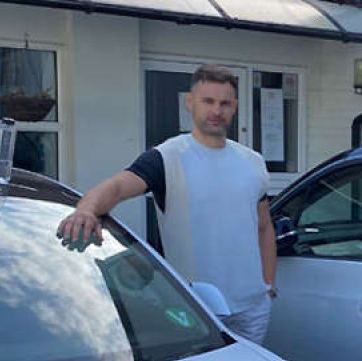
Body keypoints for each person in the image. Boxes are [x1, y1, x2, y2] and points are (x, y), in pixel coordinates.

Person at [56, 64, 277, 344]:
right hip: (198, 308)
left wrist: (268, 286)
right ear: (190, 102)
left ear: (235, 107)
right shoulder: (168, 157)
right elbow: (117, 187)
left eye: (225, 103)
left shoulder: (252, 162)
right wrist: (86, 210)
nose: (216, 111)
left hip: (253, 307)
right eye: (207, 101)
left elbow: (264, 226)